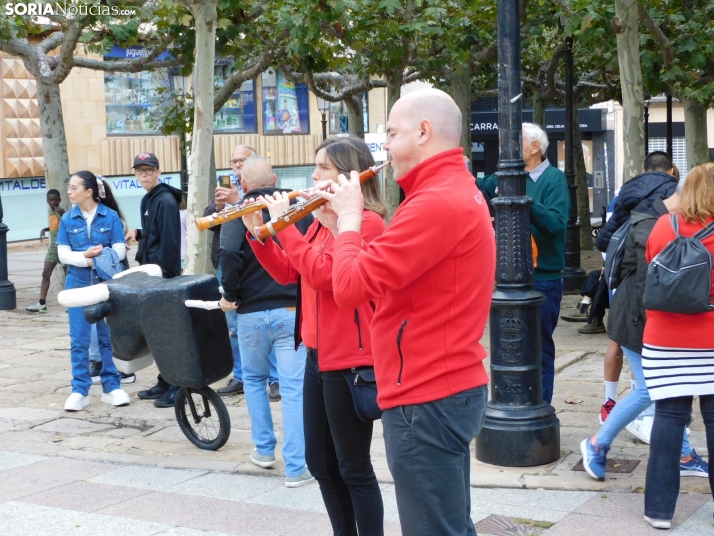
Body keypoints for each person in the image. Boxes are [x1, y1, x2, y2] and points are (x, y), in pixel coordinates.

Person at [315, 88, 495, 535]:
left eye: (391, 133)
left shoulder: (435, 202)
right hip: (442, 386)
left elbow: (350, 287)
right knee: (449, 524)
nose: (385, 145)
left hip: (426, 393)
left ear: (423, 132)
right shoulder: (450, 192)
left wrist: (351, 221)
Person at [244, 137, 387, 535]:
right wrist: (260, 235)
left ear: (347, 176)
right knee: (320, 463)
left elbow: (326, 276)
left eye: (322, 168)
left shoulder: (366, 223)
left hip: (352, 360)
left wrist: (285, 223)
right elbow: (293, 273)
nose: (313, 176)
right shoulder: (323, 221)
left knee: (353, 466)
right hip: (317, 355)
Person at [580, 175, 707, 486]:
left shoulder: (656, 219)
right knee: (649, 390)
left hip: (639, 318)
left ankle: (685, 454)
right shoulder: (654, 225)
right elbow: (646, 287)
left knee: (665, 392)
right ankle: (597, 443)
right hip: (638, 321)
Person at [219, 156, 314, 488]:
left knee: (255, 380)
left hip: (250, 312)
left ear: (242, 185)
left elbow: (229, 251)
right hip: (292, 308)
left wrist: (229, 293)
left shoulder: (240, 211)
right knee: (292, 388)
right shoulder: (296, 206)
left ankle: (263, 449)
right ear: (275, 178)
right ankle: (297, 466)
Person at [642, 163, 714, 530]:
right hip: (711, 338)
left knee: (668, 419)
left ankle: (658, 510)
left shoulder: (662, 226)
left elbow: (651, 267)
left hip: (664, 340)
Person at [478, 122, 569, 404]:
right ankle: (515, 403)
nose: (510, 148)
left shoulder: (554, 179)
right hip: (507, 277)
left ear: (534, 148)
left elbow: (555, 224)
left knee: (539, 348)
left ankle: (540, 406)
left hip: (543, 277)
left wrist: (523, 201)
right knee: (511, 347)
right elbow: (478, 189)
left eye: (517, 142)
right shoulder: (505, 176)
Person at [209, 145, 280, 400]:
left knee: (267, 333)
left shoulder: (278, 200)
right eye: (235, 160)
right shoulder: (227, 192)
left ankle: (274, 379)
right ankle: (240, 375)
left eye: (243, 160)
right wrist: (224, 205)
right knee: (236, 330)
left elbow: (230, 249)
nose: (238, 164)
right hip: (239, 278)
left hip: (258, 284)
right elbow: (209, 219)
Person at [56, 171, 130, 412]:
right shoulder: (67, 219)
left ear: (89, 191)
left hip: (104, 284)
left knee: (106, 336)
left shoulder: (110, 217)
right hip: (77, 282)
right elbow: (62, 254)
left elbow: (120, 250)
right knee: (79, 338)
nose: (69, 191)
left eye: (73, 187)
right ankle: (79, 389)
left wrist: (99, 260)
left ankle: (112, 386)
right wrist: (86, 259)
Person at [124, 152, 182, 408]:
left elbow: (170, 243)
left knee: (169, 334)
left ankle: (178, 384)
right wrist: (139, 234)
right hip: (150, 273)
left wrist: (164, 277)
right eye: (140, 171)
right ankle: (165, 380)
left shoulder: (165, 200)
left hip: (162, 277)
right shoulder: (149, 199)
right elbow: (154, 236)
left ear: (159, 172)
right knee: (156, 333)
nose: (144, 175)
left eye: (149, 170)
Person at [26, 189, 65, 314]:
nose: (53, 202)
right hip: (53, 248)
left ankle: (72, 305)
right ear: (47, 201)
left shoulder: (61, 211)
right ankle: (42, 304)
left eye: (55, 200)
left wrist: (63, 213)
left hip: (64, 247)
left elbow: (67, 223)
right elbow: (56, 226)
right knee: (45, 274)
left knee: (70, 276)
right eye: (50, 200)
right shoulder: (51, 211)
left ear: (60, 200)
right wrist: (45, 229)